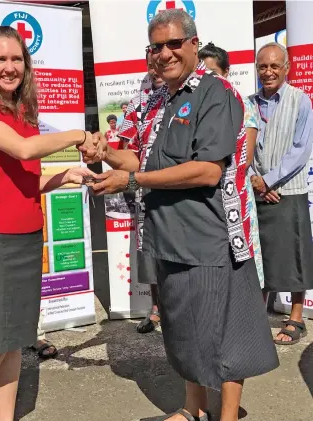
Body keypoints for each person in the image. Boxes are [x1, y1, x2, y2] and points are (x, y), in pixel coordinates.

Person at [82, 10, 279, 421]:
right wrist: (105, 154)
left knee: (227, 337)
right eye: (157, 47)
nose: (166, 54)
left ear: (193, 43)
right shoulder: (156, 100)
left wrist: (132, 179)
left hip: (212, 237)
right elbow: (138, 155)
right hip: (167, 236)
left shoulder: (217, 92)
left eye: (174, 44)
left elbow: (208, 170)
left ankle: (226, 415)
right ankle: (193, 409)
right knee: (183, 329)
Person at [0, 26, 97, 421]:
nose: (9, 67)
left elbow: (21, 179)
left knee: (16, 341)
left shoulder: (21, 113)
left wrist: (62, 177)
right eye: (0, 59)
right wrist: (80, 135)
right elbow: (22, 149)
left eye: (17, 59)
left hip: (24, 236)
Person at [249, 42, 313, 345]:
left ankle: (296, 317)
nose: (269, 72)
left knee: (295, 254)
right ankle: (257, 318)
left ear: (286, 68)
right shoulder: (247, 104)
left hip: (289, 190)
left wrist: (269, 181)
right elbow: (239, 148)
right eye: (263, 66)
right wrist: (254, 180)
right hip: (256, 193)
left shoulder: (301, 101)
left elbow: (301, 150)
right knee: (259, 256)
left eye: (275, 66)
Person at [198, 42, 264, 289]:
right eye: (202, 72)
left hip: (234, 194)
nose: (207, 78)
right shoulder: (196, 104)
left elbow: (243, 159)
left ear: (226, 72)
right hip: (204, 196)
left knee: (239, 260)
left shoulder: (242, 104)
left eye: (213, 72)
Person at [117, 53, 168, 333]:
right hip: (144, 193)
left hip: (175, 191)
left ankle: (177, 311)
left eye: (160, 62)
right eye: (151, 64)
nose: (156, 68)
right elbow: (126, 148)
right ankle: (156, 310)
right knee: (148, 251)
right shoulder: (138, 104)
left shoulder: (182, 98)